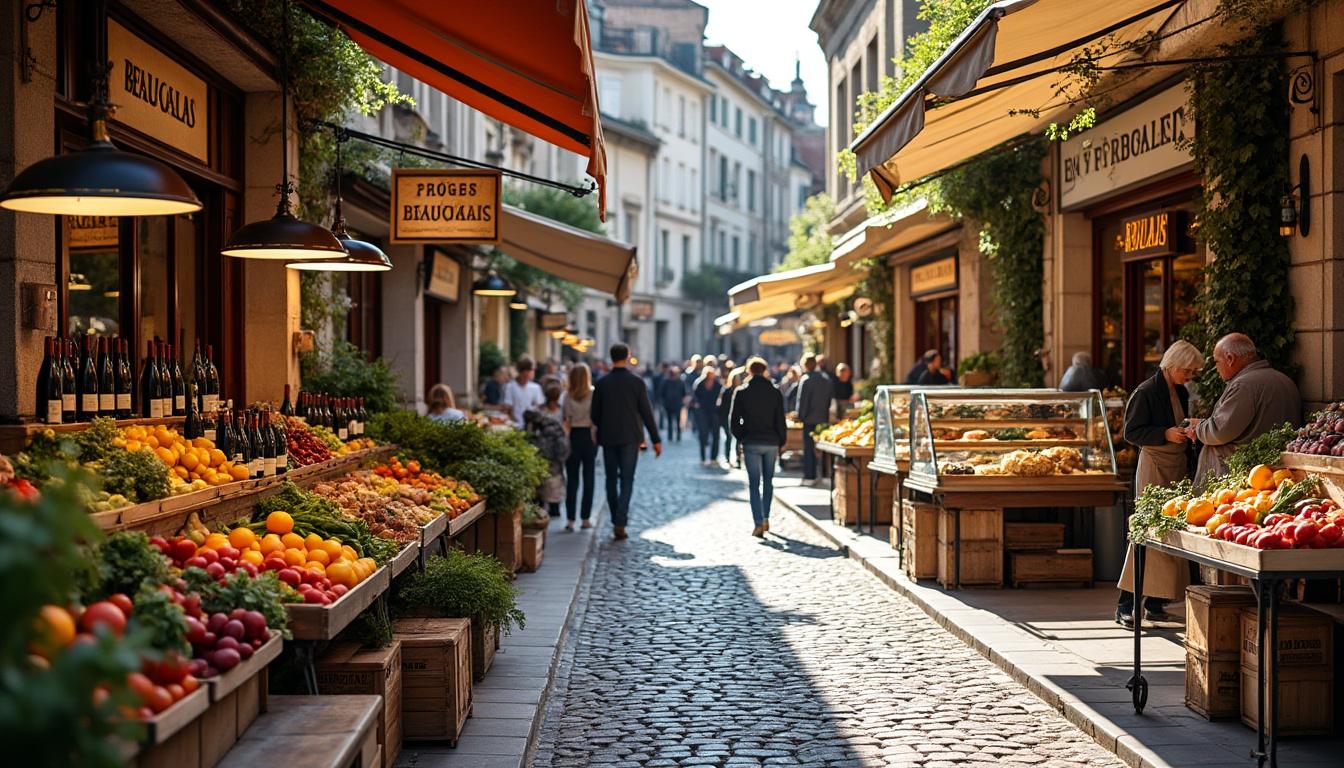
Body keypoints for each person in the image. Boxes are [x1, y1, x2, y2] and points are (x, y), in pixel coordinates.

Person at [1115, 340, 1204, 627]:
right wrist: (1165, 433)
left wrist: (1187, 429)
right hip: (1154, 467)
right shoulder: (1146, 391)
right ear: (1173, 365)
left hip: (1175, 465)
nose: (1190, 377)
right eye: (1187, 371)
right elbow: (1131, 432)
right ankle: (1126, 605)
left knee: (1170, 532)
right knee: (1145, 532)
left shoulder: (1177, 389)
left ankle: (1155, 602)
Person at [1189, 333, 1302, 487]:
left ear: (1230, 358)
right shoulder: (1282, 379)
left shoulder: (1244, 385)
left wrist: (1199, 427)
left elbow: (1219, 432)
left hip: (1247, 477)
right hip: (1276, 472)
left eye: (1217, 361)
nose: (1216, 368)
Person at [592, 343, 662, 540]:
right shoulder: (637, 382)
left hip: (608, 437)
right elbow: (646, 413)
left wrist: (602, 425)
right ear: (628, 356)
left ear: (611, 357)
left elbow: (594, 414)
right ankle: (620, 520)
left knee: (610, 479)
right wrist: (656, 439)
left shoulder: (602, 382)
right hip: (631, 437)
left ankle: (616, 517)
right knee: (627, 479)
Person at [728, 357, 787, 538]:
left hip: (752, 441)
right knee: (768, 482)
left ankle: (758, 522)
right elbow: (780, 420)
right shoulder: (774, 392)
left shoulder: (742, 392)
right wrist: (781, 441)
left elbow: (733, 421)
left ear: (749, 371)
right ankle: (766, 516)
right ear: (765, 370)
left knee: (754, 484)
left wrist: (742, 437)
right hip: (771, 442)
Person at [524, 381, 569, 520]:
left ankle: (542, 503)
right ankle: (554, 505)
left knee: (543, 476)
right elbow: (566, 428)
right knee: (555, 477)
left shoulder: (539, 410)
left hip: (541, 448)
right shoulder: (561, 410)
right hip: (554, 450)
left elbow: (530, 429)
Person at [562, 364, 597, 531]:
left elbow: (566, 420)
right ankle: (585, 518)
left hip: (573, 436)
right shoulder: (593, 393)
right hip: (589, 437)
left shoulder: (567, 395)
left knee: (572, 479)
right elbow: (596, 418)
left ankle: (570, 519)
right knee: (589, 477)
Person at [795, 354, 834, 486]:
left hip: (809, 419)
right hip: (822, 418)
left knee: (809, 449)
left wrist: (800, 416)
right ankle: (824, 474)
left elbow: (803, 402)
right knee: (822, 448)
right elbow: (828, 400)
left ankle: (810, 475)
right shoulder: (825, 379)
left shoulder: (806, 379)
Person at [500, 355, 545, 428]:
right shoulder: (510, 387)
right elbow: (508, 408)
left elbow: (539, 407)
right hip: (515, 427)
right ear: (525, 371)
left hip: (532, 427)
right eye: (532, 369)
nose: (534, 372)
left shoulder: (536, 388)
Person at [690, 366, 722, 466]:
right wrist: (696, 405)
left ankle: (713, 458)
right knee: (703, 435)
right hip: (702, 412)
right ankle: (703, 458)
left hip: (714, 412)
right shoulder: (699, 384)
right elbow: (694, 397)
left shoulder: (717, 385)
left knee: (716, 436)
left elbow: (721, 396)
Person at [719, 367, 747, 468]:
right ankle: (727, 457)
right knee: (729, 438)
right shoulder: (726, 390)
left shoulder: (742, 391)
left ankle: (738, 458)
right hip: (727, 417)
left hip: (739, 418)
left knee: (738, 439)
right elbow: (721, 406)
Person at [658, 366, 685, 442]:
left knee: (677, 421)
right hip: (669, 404)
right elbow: (662, 393)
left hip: (676, 404)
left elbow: (683, 393)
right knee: (671, 421)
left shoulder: (680, 382)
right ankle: (671, 436)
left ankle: (677, 436)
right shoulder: (666, 381)